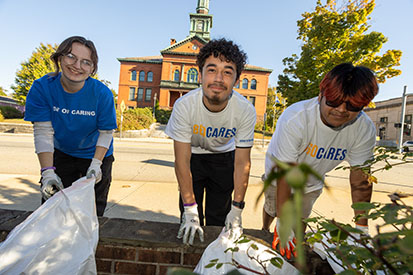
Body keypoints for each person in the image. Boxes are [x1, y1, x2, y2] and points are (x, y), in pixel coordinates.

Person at [263, 63, 379, 259]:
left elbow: (361, 178)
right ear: (321, 96)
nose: (341, 110)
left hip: (311, 180)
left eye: (352, 106)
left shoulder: (364, 129)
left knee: (299, 223)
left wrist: (362, 228)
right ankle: (264, 228)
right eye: (334, 102)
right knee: (272, 207)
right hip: (280, 172)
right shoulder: (296, 118)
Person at [165, 38, 256, 245]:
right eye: (212, 70)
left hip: (224, 158)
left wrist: (237, 209)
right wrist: (189, 209)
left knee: (219, 220)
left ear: (236, 80)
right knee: (189, 219)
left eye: (227, 72)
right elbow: (181, 160)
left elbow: (243, 163)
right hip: (193, 158)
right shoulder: (184, 105)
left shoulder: (245, 110)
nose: (218, 79)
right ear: (201, 74)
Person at [24, 36, 117, 216]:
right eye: (71, 56)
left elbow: (106, 132)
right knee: (53, 208)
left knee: (91, 212)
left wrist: (96, 164)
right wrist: (47, 173)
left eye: (86, 62)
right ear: (59, 58)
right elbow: (43, 132)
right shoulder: (42, 87)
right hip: (61, 153)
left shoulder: (102, 94)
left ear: (92, 69)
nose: (77, 65)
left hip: (96, 154)